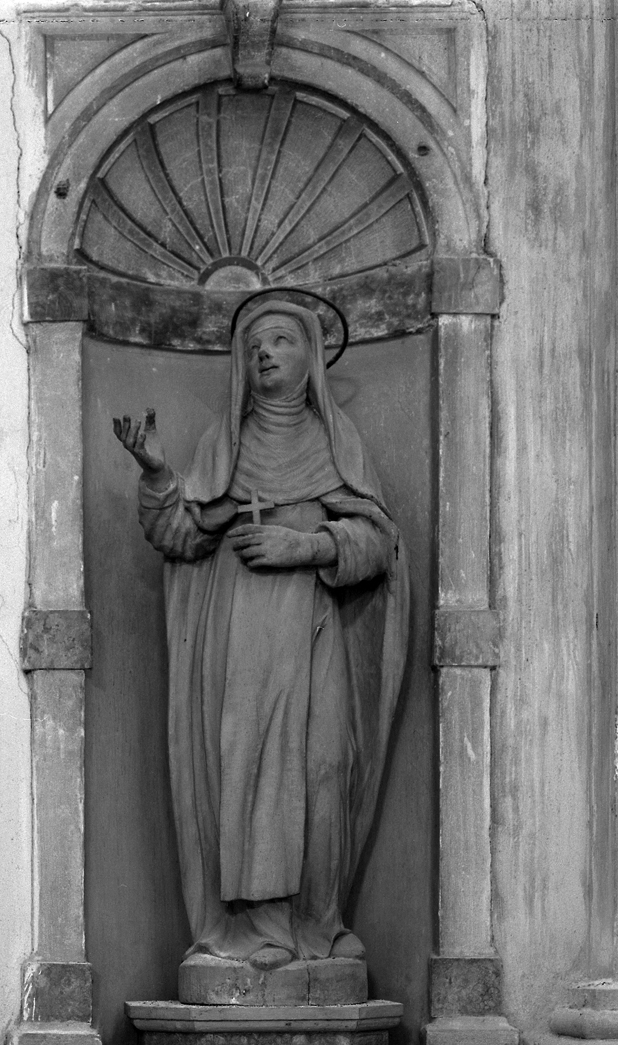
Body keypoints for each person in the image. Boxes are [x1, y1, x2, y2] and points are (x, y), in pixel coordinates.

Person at [113, 297, 409, 971]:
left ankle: (316, 925)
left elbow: (378, 544)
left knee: (321, 768)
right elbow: (179, 535)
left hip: (310, 632)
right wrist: (159, 475)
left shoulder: (337, 444)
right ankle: (250, 928)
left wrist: (302, 546)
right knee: (243, 768)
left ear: (311, 358)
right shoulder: (225, 444)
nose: (266, 353)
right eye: (254, 346)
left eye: (281, 341)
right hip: (237, 635)